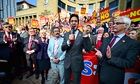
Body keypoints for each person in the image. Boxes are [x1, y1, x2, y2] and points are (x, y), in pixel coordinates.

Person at [95, 16, 139, 84]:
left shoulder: (132, 43)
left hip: (114, 79)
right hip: (99, 77)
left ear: (126, 25)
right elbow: (100, 54)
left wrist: (110, 58)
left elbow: (129, 63)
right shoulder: (106, 39)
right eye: (114, 23)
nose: (114, 25)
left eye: (117, 23)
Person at [62, 14, 92, 84]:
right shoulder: (66, 34)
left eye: (75, 21)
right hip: (67, 63)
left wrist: (85, 35)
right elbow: (62, 48)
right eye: (72, 21)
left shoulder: (82, 34)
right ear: (69, 23)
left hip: (77, 63)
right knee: (66, 82)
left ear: (78, 23)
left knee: (76, 82)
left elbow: (88, 49)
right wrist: (69, 42)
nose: (73, 22)